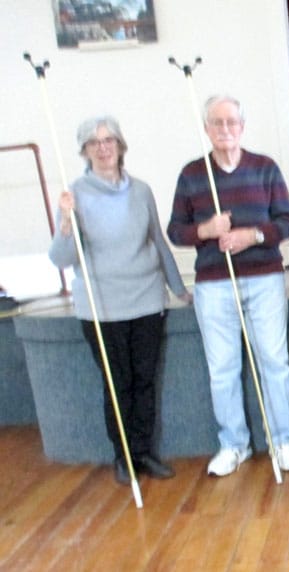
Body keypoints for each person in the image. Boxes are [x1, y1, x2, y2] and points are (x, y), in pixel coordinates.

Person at [167, 95, 289, 476]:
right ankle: (234, 445)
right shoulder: (192, 174)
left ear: (242, 127)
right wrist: (206, 230)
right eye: (217, 122)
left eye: (231, 122)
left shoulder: (265, 168)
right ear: (206, 128)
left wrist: (253, 236)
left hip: (264, 279)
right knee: (223, 369)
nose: (225, 129)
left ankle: (282, 441)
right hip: (214, 284)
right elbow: (175, 231)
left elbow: (288, 222)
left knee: (273, 362)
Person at [49, 116, 187, 485]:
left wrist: (178, 288)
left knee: (144, 381)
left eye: (109, 140)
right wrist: (66, 224)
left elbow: (158, 241)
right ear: (84, 151)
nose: (103, 147)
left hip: (146, 301)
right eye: (94, 142)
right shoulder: (73, 195)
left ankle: (143, 452)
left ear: (120, 145)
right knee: (118, 384)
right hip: (102, 307)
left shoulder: (141, 190)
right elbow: (61, 258)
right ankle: (123, 455)